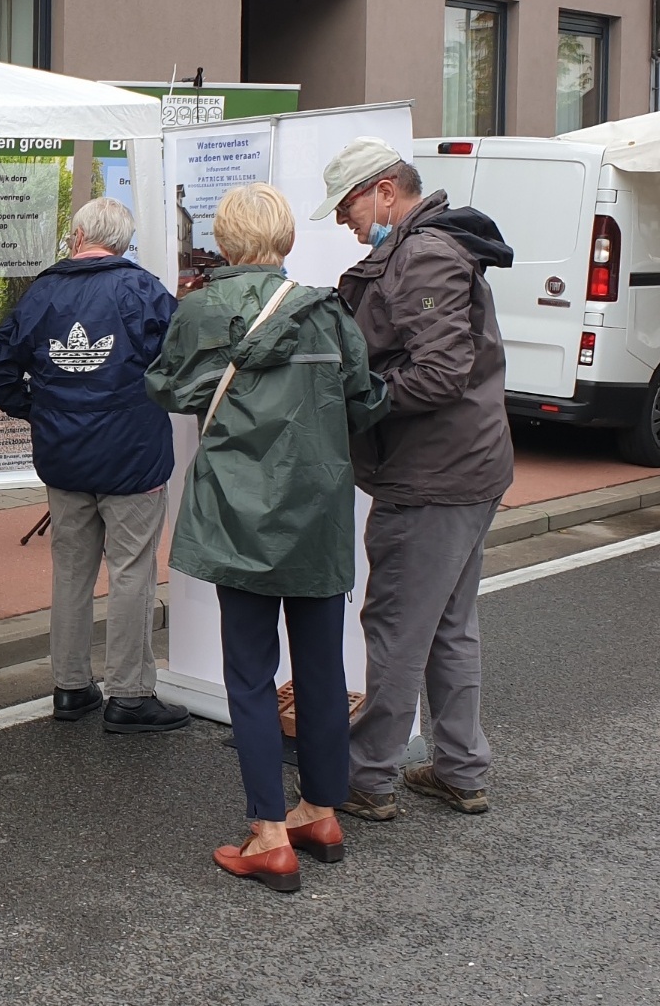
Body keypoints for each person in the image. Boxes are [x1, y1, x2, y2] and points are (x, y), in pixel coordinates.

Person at [146, 183, 387, 891]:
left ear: (224, 241)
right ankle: (320, 809)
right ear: (284, 238)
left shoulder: (201, 308)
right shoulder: (327, 309)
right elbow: (365, 401)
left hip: (238, 512)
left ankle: (268, 832)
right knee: (320, 671)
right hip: (317, 510)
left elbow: (167, 387)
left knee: (249, 676)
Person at [311, 137, 514, 821]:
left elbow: (438, 372)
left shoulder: (422, 253)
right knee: (449, 623)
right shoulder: (430, 246)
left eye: (347, 206)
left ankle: (367, 776)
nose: (346, 220)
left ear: (385, 191)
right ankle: (460, 766)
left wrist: (361, 396)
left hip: (430, 474)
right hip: (466, 465)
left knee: (397, 624)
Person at [0, 198, 187, 733]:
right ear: (122, 241)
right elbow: (182, 361)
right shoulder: (142, 290)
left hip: (64, 456)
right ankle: (131, 695)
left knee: (71, 571)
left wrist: (38, 409)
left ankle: (70, 686)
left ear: (76, 236)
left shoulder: (44, 291)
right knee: (132, 571)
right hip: (132, 458)